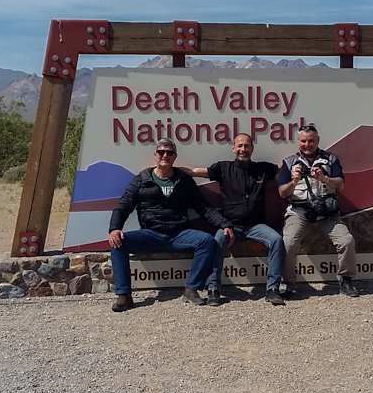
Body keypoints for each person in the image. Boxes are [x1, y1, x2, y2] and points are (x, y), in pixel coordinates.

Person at [108, 139, 235, 313]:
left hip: (179, 234)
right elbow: (123, 206)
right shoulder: (141, 179)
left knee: (206, 241)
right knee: (117, 242)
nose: (165, 156)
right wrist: (115, 228)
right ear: (155, 155)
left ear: (175, 157)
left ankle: (191, 289)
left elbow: (204, 208)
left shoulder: (184, 181)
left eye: (169, 153)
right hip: (150, 234)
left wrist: (224, 224)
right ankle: (124, 295)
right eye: (161, 152)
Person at [178, 133, 285, 306]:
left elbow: (283, 168)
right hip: (230, 226)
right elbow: (194, 172)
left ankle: (272, 289)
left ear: (252, 148)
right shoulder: (223, 168)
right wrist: (166, 167)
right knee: (217, 241)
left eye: (247, 146)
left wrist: (302, 163)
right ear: (233, 148)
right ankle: (214, 290)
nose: (243, 149)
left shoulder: (263, 169)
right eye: (240, 146)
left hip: (256, 225)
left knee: (277, 240)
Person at [277, 124, 359, 298]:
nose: (307, 144)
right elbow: (282, 192)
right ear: (298, 142)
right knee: (287, 243)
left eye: (311, 141)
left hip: (327, 213)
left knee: (347, 241)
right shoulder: (289, 162)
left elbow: (341, 184)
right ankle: (288, 284)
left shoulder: (331, 159)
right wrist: (294, 181)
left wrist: (325, 178)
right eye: (303, 141)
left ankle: (346, 280)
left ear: (318, 141)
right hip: (299, 212)